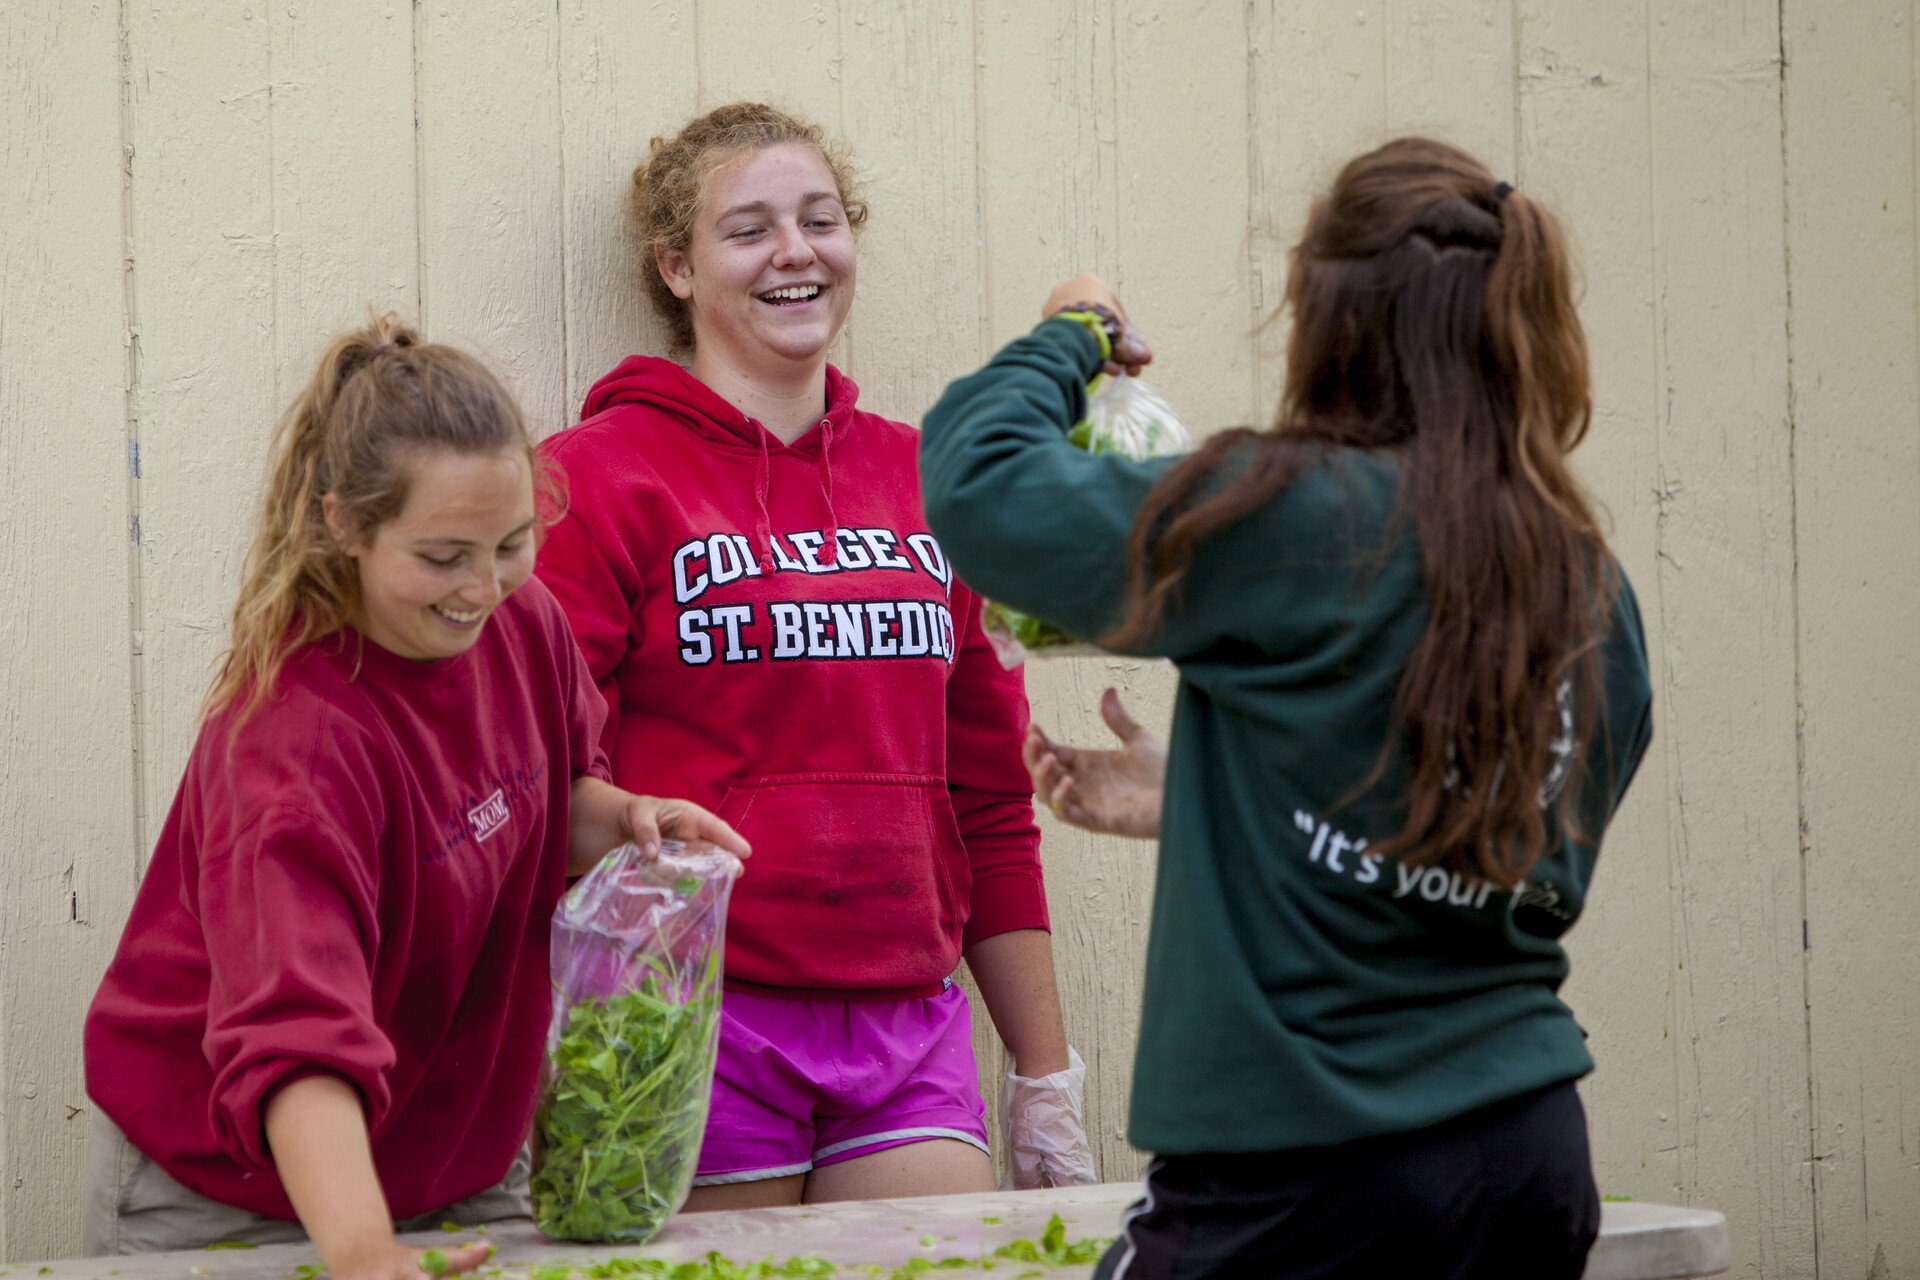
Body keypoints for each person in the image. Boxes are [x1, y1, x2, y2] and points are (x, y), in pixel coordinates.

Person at [919, 138, 1654, 1279]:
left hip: (1299, 1173)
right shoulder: (1588, 576)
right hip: (1528, 1154)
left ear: (1330, 322)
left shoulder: (1290, 511)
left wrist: (1076, 330)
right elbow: (1488, 833)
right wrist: (1229, 789)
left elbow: (979, 481)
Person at [82, 316, 747, 1275]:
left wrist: (627, 822)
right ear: (344, 524)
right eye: (443, 558)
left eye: (512, 543)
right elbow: (294, 1038)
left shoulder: (525, 621)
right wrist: (359, 1247)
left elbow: (545, 799)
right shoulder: (295, 746)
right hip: (239, 1195)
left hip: (457, 1169)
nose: (484, 588)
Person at [533, 102, 1092, 1207]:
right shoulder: (592, 480)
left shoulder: (933, 481)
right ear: (677, 268)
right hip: (688, 1015)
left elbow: (987, 795)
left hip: (905, 1023)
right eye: (747, 229)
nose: (795, 251)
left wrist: (1044, 1072)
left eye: (819, 219)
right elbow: (535, 776)